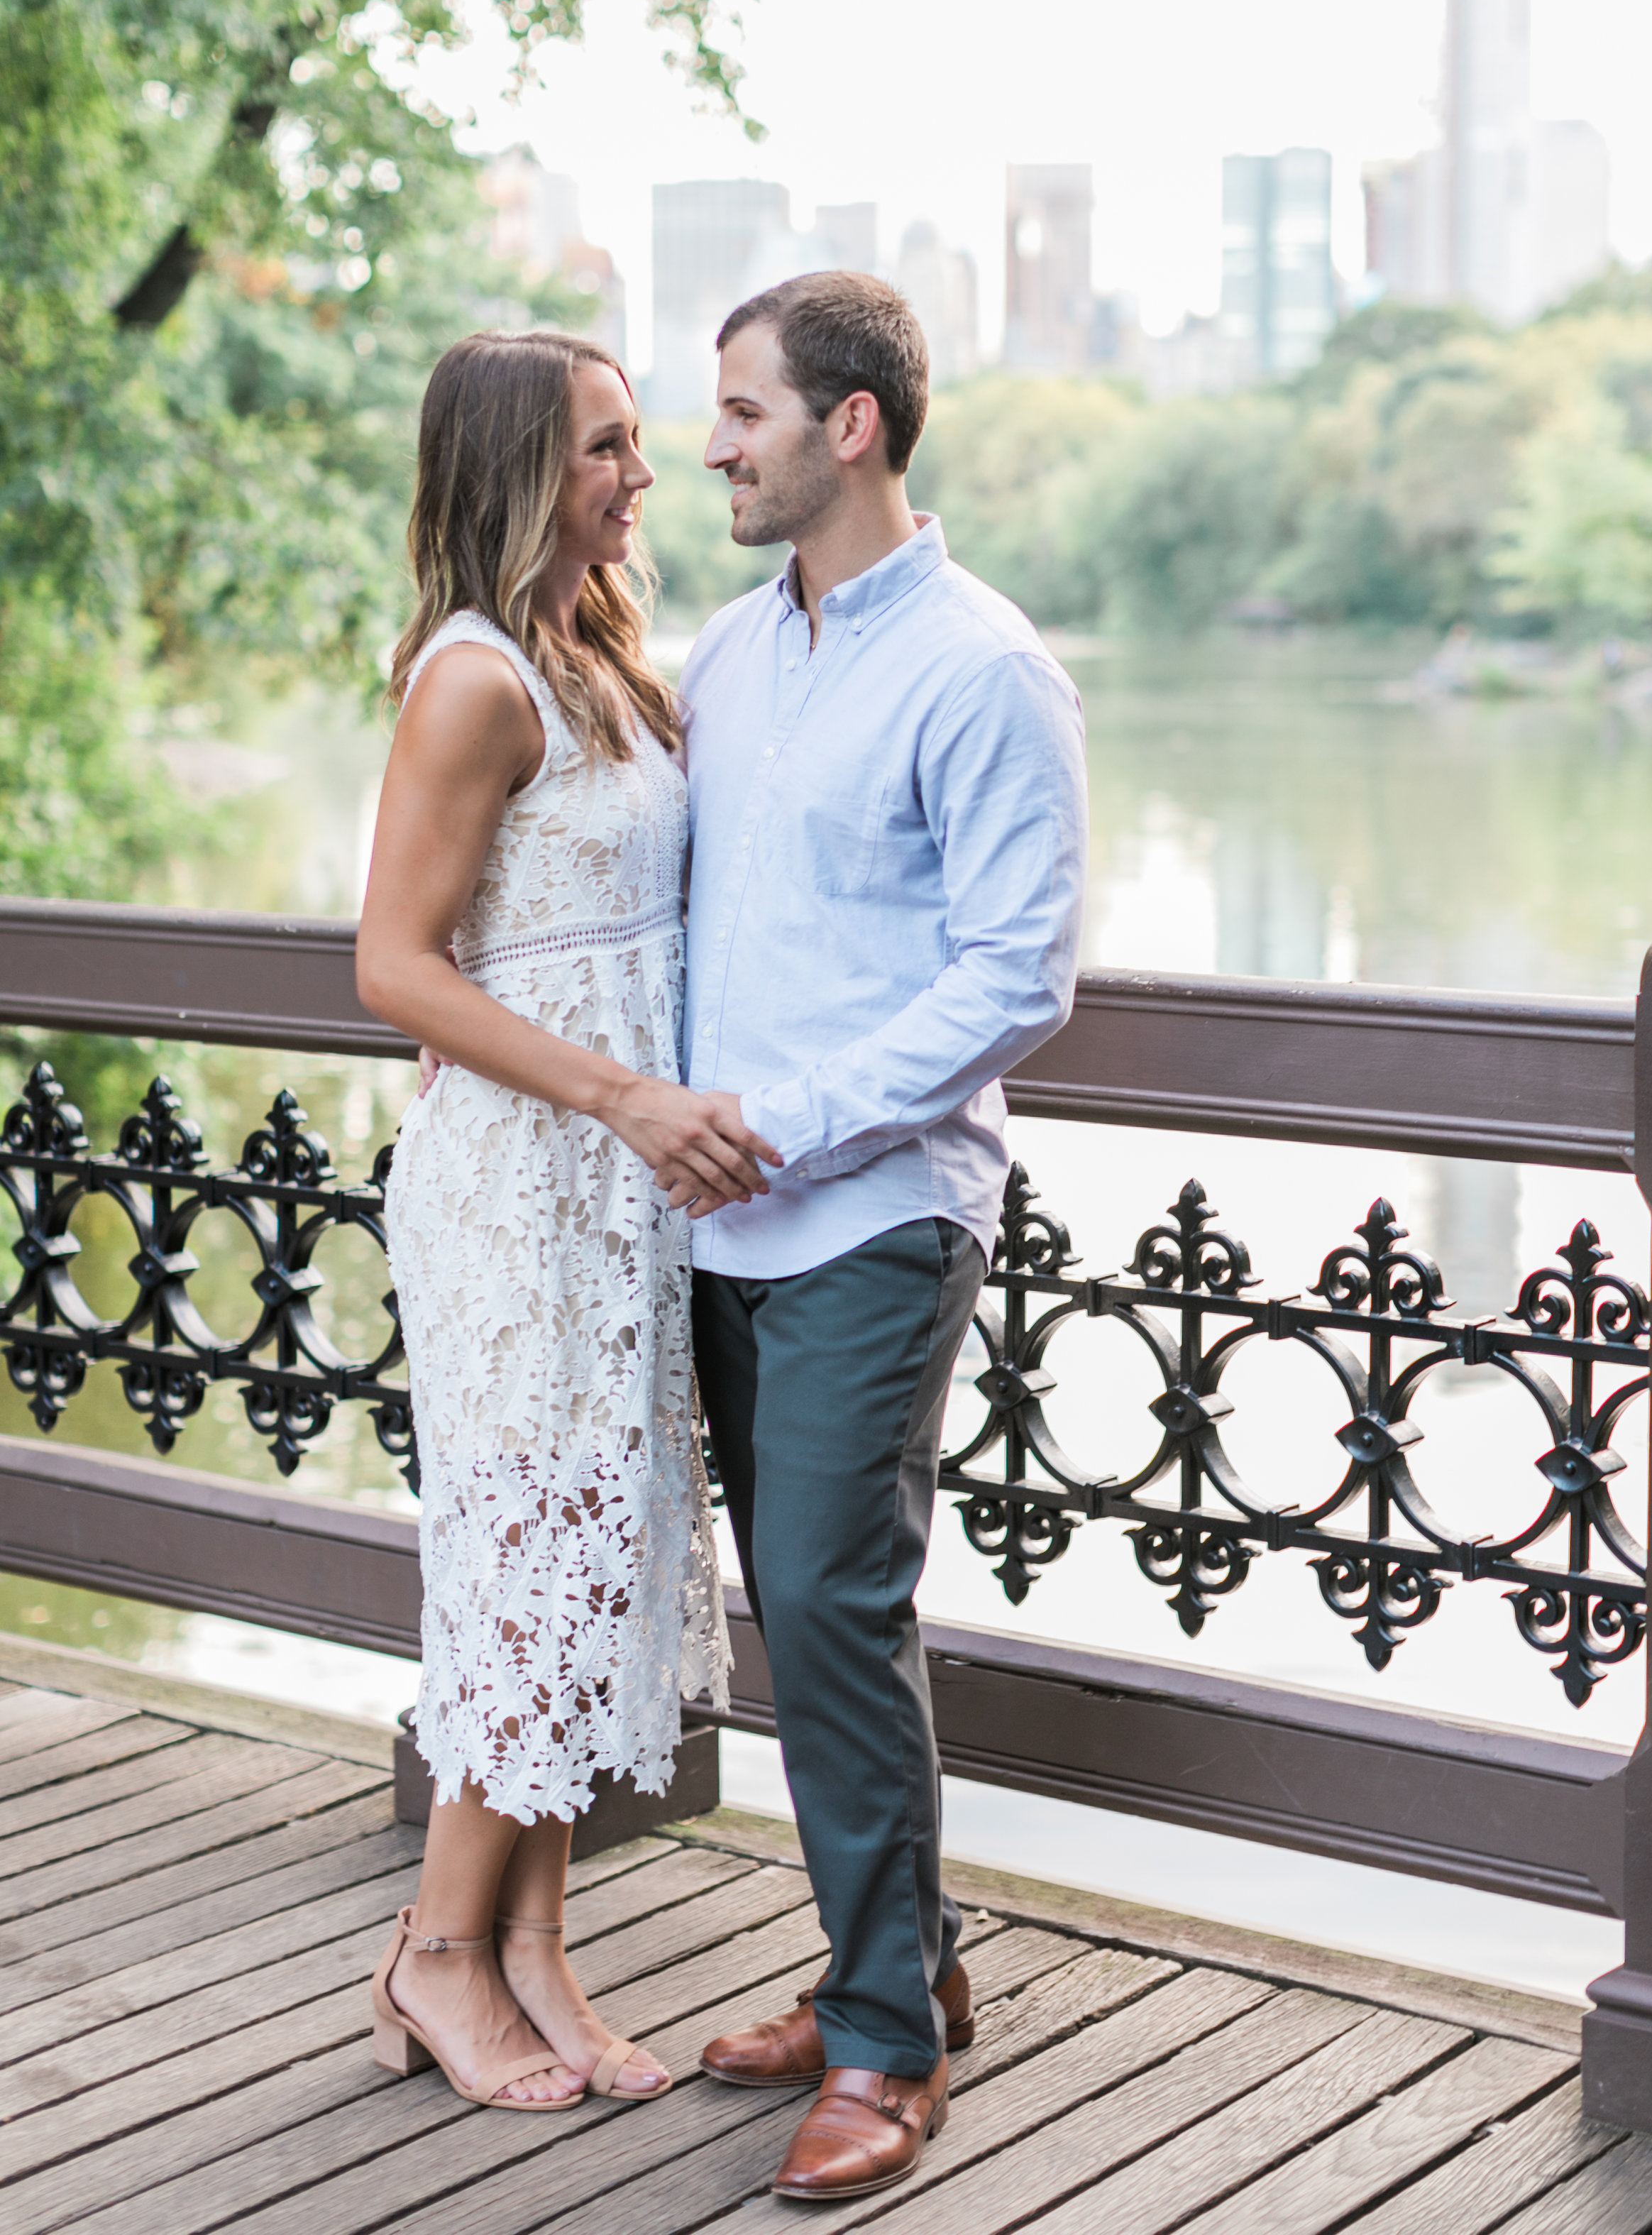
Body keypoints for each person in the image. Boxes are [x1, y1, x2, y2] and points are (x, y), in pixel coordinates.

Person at [678, 273, 1089, 2202]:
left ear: (851, 424)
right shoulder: (728, 654)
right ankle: (895, 1957)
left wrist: (798, 1121)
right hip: (714, 1218)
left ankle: (884, 2047)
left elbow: (1015, 975)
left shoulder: (986, 666)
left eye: (743, 409)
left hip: (871, 1210)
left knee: (833, 1602)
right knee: (808, 1610)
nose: (710, 446)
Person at [356, 329, 779, 2112]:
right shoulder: (471, 683)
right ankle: (433, 1956)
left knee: (599, 1559)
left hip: (624, 1199)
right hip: (522, 1191)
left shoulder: (603, 654)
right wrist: (616, 1096)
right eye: (609, 446)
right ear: (522, 468)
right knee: (527, 1565)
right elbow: (390, 965)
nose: (646, 472)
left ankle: (535, 1944)